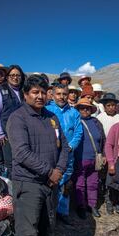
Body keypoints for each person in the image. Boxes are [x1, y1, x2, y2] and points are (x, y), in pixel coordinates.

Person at [7, 75, 69, 236]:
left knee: (48, 230)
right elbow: (21, 153)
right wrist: (50, 171)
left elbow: (65, 147)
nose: (40, 96)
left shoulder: (51, 117)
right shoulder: (17, 118)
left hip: (51, 184)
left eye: (43, 92)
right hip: (28, 184)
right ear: (25, 95)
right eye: (35, 92)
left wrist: (58, 170)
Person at [46, 84, 83, 223]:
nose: (62, 97)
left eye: (64, 94)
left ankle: (62, 212)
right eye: (59, 94)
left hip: (68, 155)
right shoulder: (47, 110)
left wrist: (71, 146)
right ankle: (50, 213)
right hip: (51, 155)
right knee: (51, 182)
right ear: (53, 95)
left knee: (65, 183)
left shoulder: (74, 113)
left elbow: (78, 132)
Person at [74, 98, 106, 218]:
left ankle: (92, 205)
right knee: (80, 184)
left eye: (88, 108)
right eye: (82, 108)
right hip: (80, 158)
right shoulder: (75, 122)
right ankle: (80, 206)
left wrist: (103, 154)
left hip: (95, 159)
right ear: (78, 109)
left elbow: (103, 139)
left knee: (93, 183)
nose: (85, 110)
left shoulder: (96, 122)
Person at [0, 65, 25, 177]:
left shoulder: (23, 92)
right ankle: (12, 189)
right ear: (7, 77)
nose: (15, 78)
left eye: (18, 75)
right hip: (6, 134)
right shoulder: (1, 91)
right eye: (12, 75)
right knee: (10, 162)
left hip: (23, 133)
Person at [96, 93, 119, 215]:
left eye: (113, 105)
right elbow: (99, 137)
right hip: (106, 151)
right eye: (108, 105)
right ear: (104, 106)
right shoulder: (100, 118)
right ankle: (107, 199)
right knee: (105, 176)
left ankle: (115, 199)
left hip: (118, 151)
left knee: (116, 176)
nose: (111, 108)